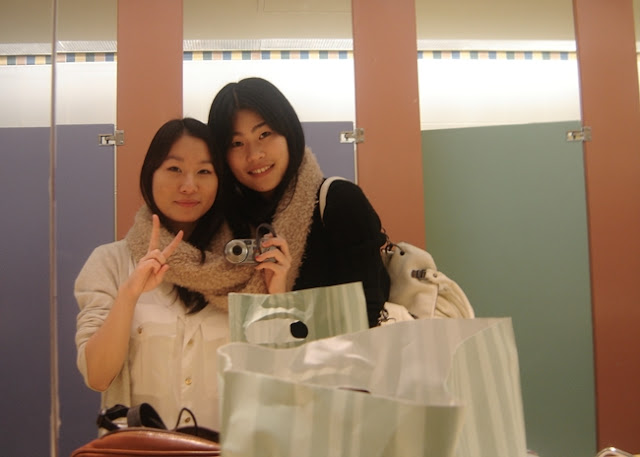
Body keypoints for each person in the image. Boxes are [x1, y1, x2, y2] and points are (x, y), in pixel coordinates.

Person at [74, 117, 291, 433]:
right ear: (150, 174)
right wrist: (128, 296)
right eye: (174, 169)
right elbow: (98, 377)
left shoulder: (245, 268)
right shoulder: (110, 262)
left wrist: (277, 293)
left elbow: (281, 378)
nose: (189, 185)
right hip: (144, 451)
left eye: (204, 171)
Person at [207, 77, 390, 327]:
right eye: (236, 143)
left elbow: (364, 317)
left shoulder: (340, 203)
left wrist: (282, 299)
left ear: (288, 132)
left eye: (264, 134)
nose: (255, 154)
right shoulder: (224, 222)